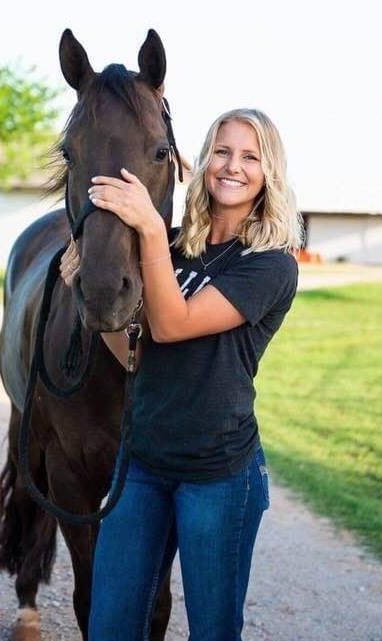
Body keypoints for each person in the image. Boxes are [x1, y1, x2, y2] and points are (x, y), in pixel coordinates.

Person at [59, 108, 304, 641]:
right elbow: (137, 353)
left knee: (212, 632)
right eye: (222, 151)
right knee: (109, 627)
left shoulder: (270, 264)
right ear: (203, 160)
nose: (232, 166)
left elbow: (172, 325)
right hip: (143, 463)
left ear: (269, 173)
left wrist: (148, 225)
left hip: (217, 474)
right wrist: (86, 295)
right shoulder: (172, 247)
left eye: (250, 156)